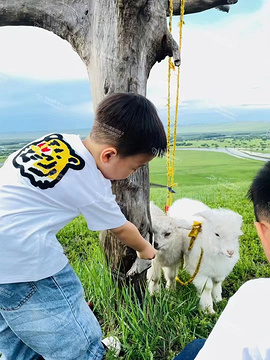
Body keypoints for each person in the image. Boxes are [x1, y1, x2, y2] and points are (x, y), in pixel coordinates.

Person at [0, 92, 167, 360]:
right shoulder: (91, 183)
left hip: (4, 265)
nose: (133, 174)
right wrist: (146, 250)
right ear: (109, 155)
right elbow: (122, 228)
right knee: (72, 330)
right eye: (135, 167)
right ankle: (91, 352)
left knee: (15, 336)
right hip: (26, 262)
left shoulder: (56, 140)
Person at [174, 162, 270, 360]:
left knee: (196, 347)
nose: (231, 247)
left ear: (262, 232)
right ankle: (208, 298)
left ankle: (216, 293)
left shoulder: (255, 297)